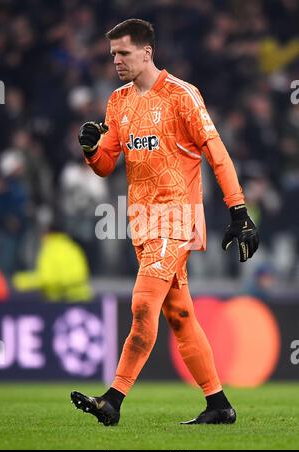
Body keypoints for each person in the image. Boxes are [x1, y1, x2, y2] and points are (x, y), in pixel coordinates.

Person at [71, 19, 259, 426]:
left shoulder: (182, 95)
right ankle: (218, 405)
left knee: (142, 305)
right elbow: (106, 165)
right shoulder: (118, 101)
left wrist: (239, 210)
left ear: (147, 52)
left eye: (123, 53)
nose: (116, 61)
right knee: (179, 316)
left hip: (177, 218)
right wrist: (91, 150)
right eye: (112, 55)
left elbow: (217, 152)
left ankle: (113, 399)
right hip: (141, 222)